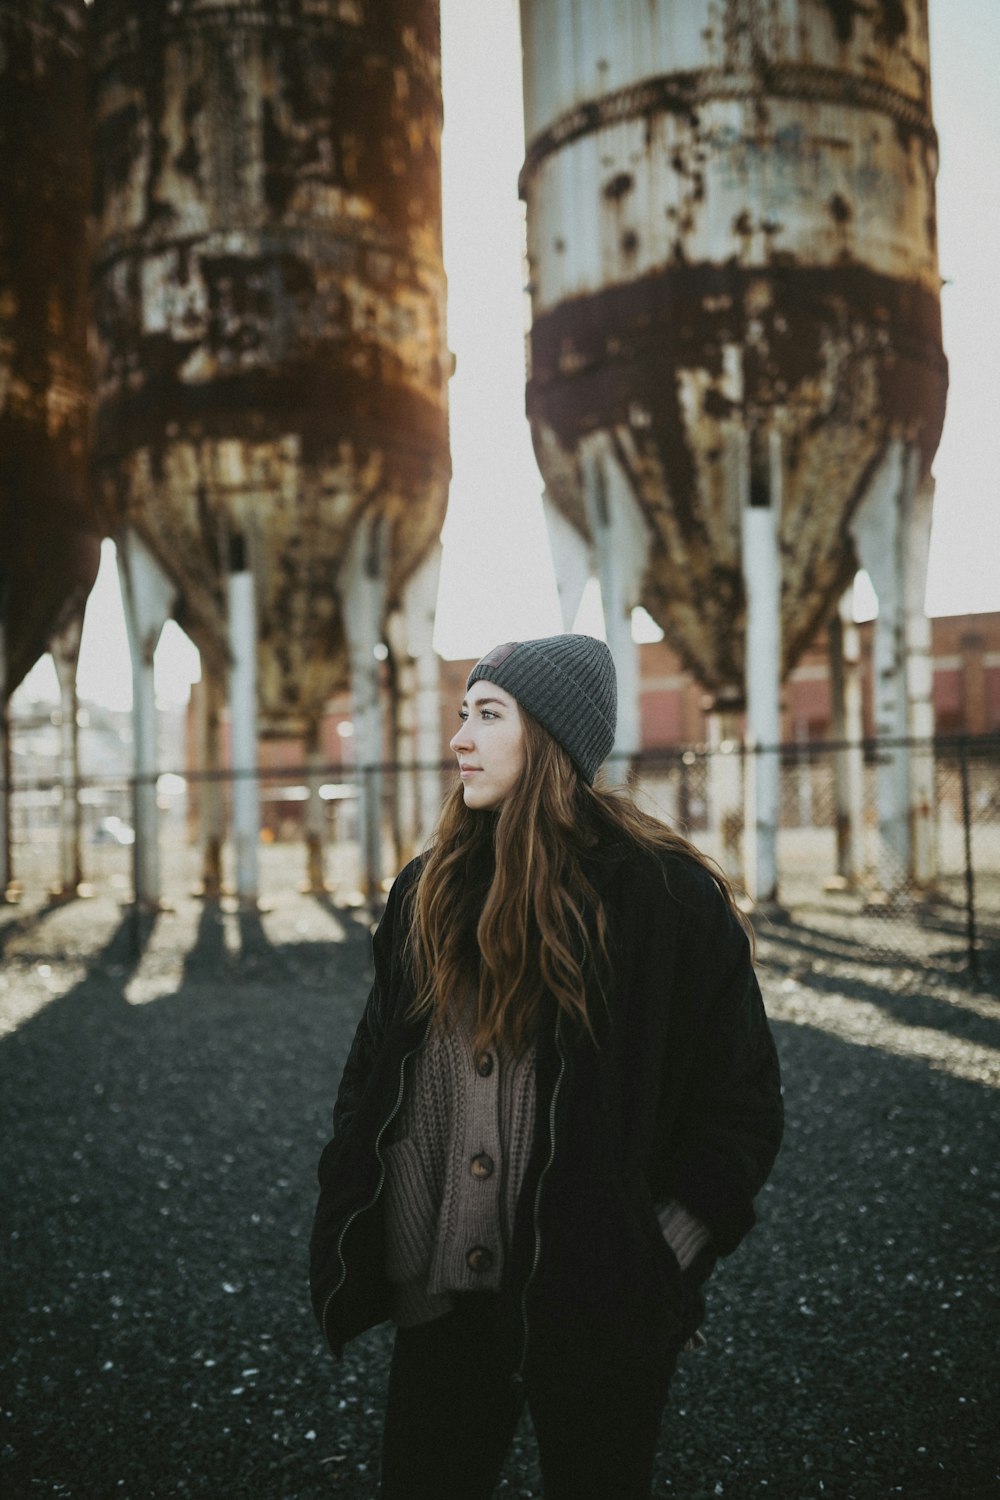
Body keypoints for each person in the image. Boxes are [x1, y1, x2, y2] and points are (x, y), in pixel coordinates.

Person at [310, 633, 783, 1500]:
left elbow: (741, 1103)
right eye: (462, 715)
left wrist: (659, 1251)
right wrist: (384, 1222)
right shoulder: (427, 891)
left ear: (553, 739)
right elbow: (371, 1077)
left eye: (488, 716)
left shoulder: (665, 899)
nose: (460, 739)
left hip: (599, 1310)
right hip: (441, 1313)